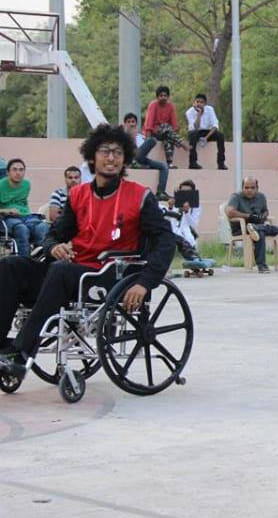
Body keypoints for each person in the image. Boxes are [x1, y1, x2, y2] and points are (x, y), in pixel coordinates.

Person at [0, 123, 175, 377]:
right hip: (71, 272)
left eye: (117, 152)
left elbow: (166, 241)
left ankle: (21, 352)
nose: (111, 158)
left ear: (125, 158)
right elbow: (54, 235)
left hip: (109, 274)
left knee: (60, 271)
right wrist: (53, 247)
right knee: (10, 265)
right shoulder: (77, 195)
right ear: (92, 156)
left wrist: (146, 282)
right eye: (105, 151)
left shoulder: (139, 196)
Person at [225, 177, 278, 273]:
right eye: (246, 187)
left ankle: (255, 228)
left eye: (252, 187)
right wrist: (248, 216)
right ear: (242, 188)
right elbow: (229, 211)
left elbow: (266, 211)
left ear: (257, 188)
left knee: (276, 229)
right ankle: (262, 266)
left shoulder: (261, 197)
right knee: (260, 233)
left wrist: (263, 216)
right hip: (241, 228)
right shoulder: (236, 196)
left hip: (257, 225)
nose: (249, 190)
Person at [0, 158, 50, 256]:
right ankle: (24, 262)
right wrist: (7, 211)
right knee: (22, 229)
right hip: (7, 218)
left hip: (26, 216)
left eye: (21, 170)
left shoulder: (26, 184)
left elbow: (22, 204)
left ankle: (42, 257)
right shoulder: (1, 186)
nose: (18, 173)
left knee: (43, 226)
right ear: (7, 172)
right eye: (14, 169)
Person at [141, 85, 189, 168]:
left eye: (165, 96)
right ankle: (181, 142)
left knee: (169, 138)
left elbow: (174, 124)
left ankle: (169, 163)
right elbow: (149, 122)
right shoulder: (153, 105)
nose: (163, 98)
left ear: (168, 97)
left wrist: (174, 133)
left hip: (166, 133)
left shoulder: (170, 106)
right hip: (154, 132)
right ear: (157, 97)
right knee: (166, 126)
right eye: (161, 96)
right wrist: (147, 138)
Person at [124, 112, 170, 199]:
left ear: (136, 124)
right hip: (130, 159)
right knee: (151, 140)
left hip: (141, 159)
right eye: (128, 122)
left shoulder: (140, 136)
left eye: (133, 122)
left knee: (164, 166)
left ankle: (160, 192)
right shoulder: (121, 136)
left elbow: (142, 150)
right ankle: (135, 163)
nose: (131, 124)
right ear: (125, 124)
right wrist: (130, 136)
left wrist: (135, 136)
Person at [161, 180, 202, 260]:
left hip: (187, 232)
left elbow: (193, 224)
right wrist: (170, 207)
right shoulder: (176, 203)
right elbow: (170, 220)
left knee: (189, 242)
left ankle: (192, 258)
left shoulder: (196, 207)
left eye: (188, 192)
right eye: (182, 192)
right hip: (175, 231)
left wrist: (187, 212)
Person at [185, 93, 227, 170]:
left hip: (207, 132)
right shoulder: (189, 112)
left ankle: (221, 163)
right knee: (192, 134)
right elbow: (195, 128)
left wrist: (206, 138)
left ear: (205, 103)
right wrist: (199, 114)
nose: (199, 104)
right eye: (197, 102)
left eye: (201, 102)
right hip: (196, 132)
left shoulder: (210, 109)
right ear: (194, 102)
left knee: (220, 135)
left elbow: (215, 126)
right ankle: (193, 162)